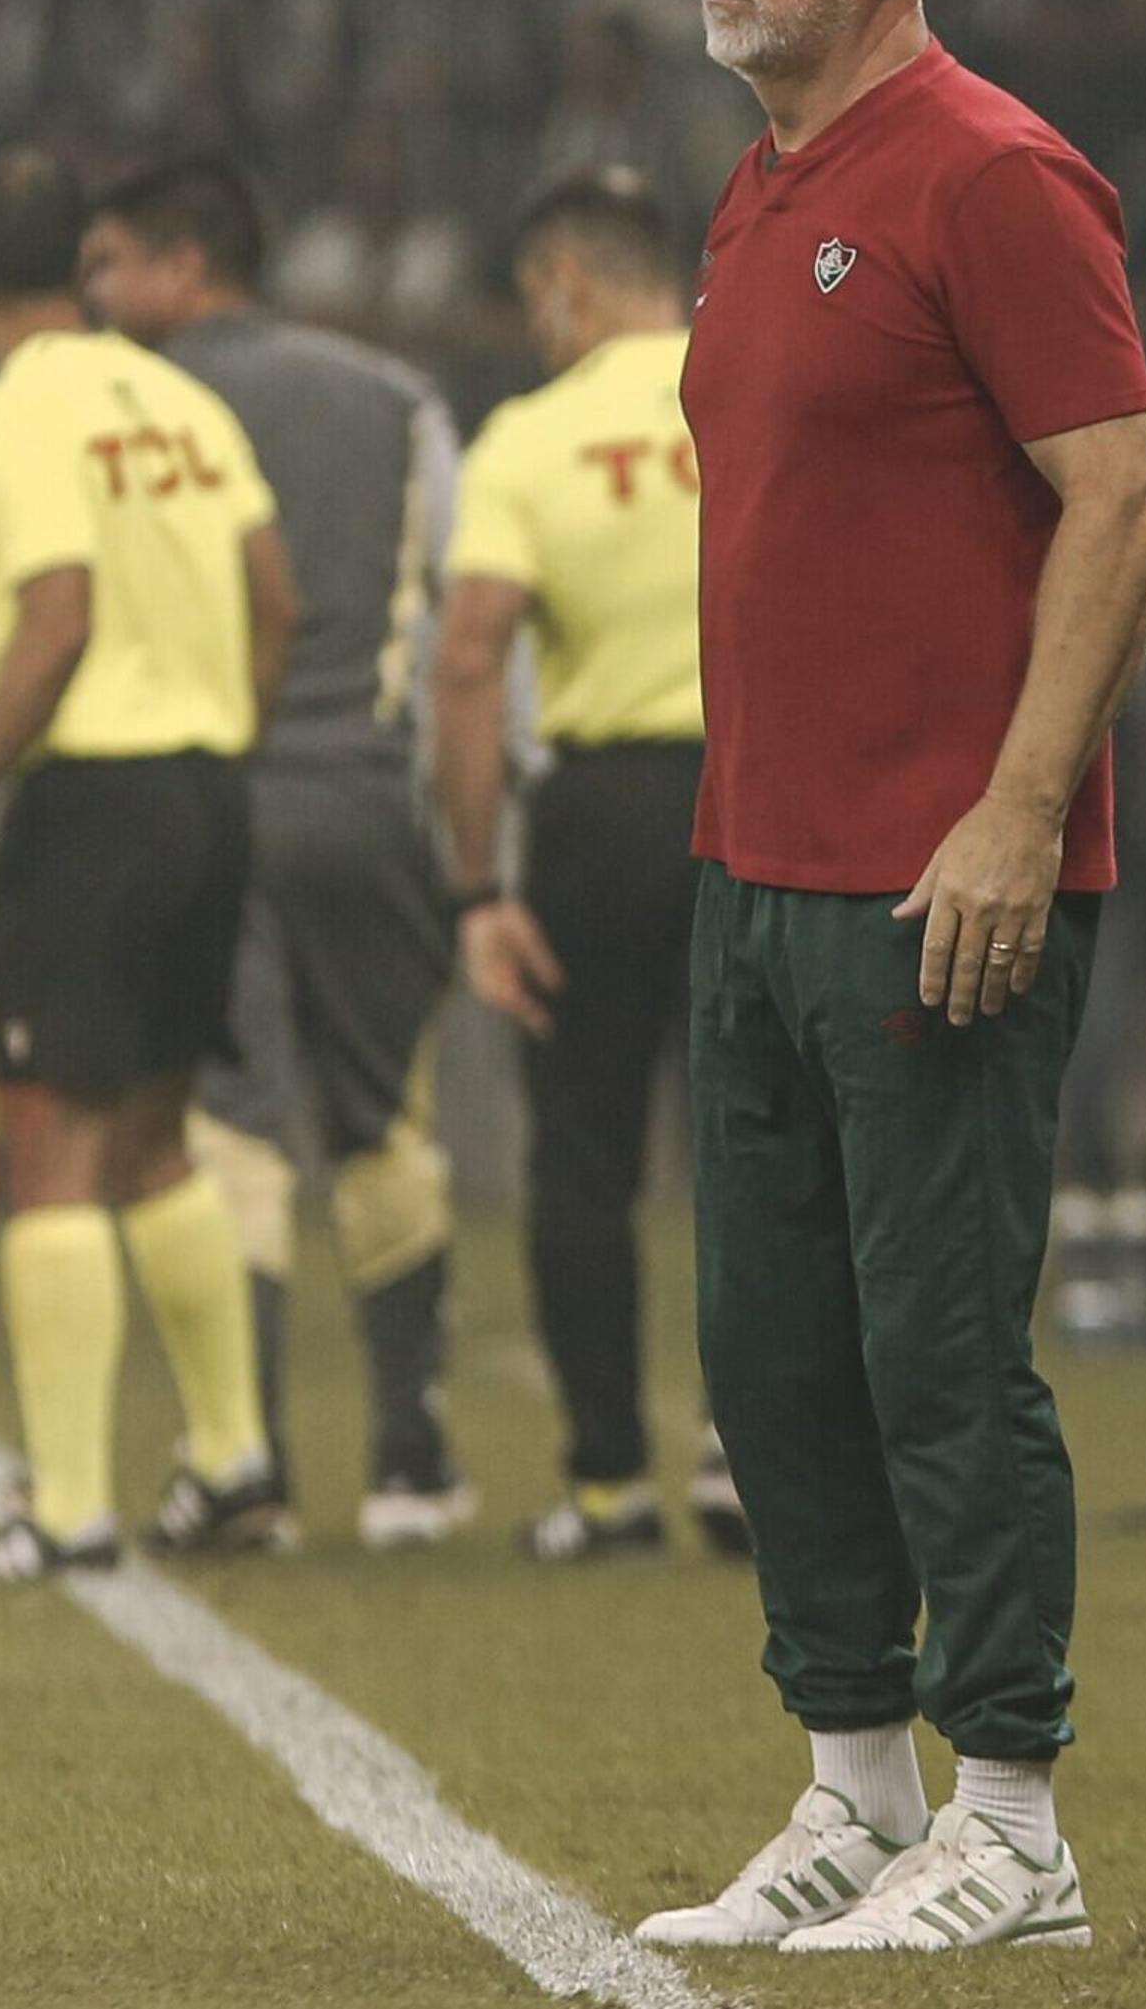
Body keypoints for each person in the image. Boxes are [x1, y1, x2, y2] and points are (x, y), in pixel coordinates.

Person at [638, 0, 1146, 1956]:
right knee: (773, 1352)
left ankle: (1017, 1818)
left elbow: (1122, 502)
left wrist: (1020, 810)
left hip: (940, 877)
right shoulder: (762, 186)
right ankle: (857, 1784)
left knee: (940, 1349)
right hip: (755, 866)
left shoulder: (994, 174)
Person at [0, 148, 299, 1585]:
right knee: (156, 1140)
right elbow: (278, 601)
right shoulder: (180, 396)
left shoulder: (17, 416)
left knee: (58, 1151)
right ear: (77, 262)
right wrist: (220, 744)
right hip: (206, 789)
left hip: (91, 803)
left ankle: (67, 1504)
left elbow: (55, 619)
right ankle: (234, 1455)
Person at [80, 154, 474, 1552]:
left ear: (190, 267)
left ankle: (241, 1462)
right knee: (389, 1126)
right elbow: (458, 616)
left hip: (205, 810)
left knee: (228, 1131)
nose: (101, 295)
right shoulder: (397, 400)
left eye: (117, 264)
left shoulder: (128, 414)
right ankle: (413, 1464)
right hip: (371, 799)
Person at [428, 165, 742, 1565]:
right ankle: (755, 1470)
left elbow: (470, 654)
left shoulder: (528, 440)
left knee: (581, 1156)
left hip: (601, 816)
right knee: (766, 1152)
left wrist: (479, 884)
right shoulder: (753, 388)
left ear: (565, 283)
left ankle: (609, 1483)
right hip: (761, 801)